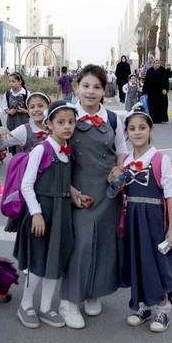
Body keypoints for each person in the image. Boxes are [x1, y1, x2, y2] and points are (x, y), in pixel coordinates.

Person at [59, 64, 128, 329]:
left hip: (108, 191)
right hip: (78, 190)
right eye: (86, 86)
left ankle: (93, 292)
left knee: (104, 244)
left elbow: (120, 147)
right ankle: (68, 301)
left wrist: (119, 169)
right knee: (81, 244)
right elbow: (56, 154)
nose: (91, 92)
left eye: (97, 87)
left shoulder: (112, 118)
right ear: (77, 87)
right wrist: (70, 191)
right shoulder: (67, 116)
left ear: (104, 89)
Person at [13, 100, 77, 330]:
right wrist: (37, 214)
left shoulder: (67, 152)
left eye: (71, 121)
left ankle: (46, 306)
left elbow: (64, 183)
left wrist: (75, 195)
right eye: (61, 122)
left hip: (61, 214)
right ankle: (26, 304)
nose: (67, 126)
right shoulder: (42, 148)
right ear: (49, 124)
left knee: (55, 261)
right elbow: (26, 185)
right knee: (38, 262)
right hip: (42, 214)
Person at [116, 106, 172, 332]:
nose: (137, 132)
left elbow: (171, 196)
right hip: (132, 217)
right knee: (136, 260)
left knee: (157, 262)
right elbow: (124, 191)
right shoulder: (126, 162)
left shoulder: (161, 160)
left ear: (151, 130)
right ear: (127, 132)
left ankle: (163, 309)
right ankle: (142, 306)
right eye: (132, 128)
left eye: (142, 127)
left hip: (153, 220)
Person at [0, 91, 51, 234]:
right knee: (32, 230)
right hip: (32, 187)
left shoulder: (57, 127)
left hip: (53, 186)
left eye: (41, 106)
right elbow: (0, 144)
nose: (36, 109)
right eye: (32, 107)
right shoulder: (25, 130)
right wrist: (0, 131)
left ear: (49, 107)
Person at [3, 72, 30, 154]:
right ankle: (15, 159)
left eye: (13, 81)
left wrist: (24, 111)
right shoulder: (8, 93)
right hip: (11, 121)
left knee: (22, 141)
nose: (11, 83)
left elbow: (31, 109)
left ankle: (22, 160)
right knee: (12, 140)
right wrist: (9, 111)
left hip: (22, 121)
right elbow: (4, 107)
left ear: (20, 82)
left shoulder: (26, 94)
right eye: (10, 82)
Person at [141, 59, 170, 124]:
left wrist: (165, 89)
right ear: (153, 64)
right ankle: (154, 119)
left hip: (161, 92)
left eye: (158, 63)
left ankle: (160, 118)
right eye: (155, 63)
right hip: (152, 92)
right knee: (153, 105)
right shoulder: (150, 71)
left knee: (161, 105)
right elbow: (146, 81)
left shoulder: (162, 70)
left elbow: (166, 80)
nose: (157, 64)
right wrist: (145, 90)